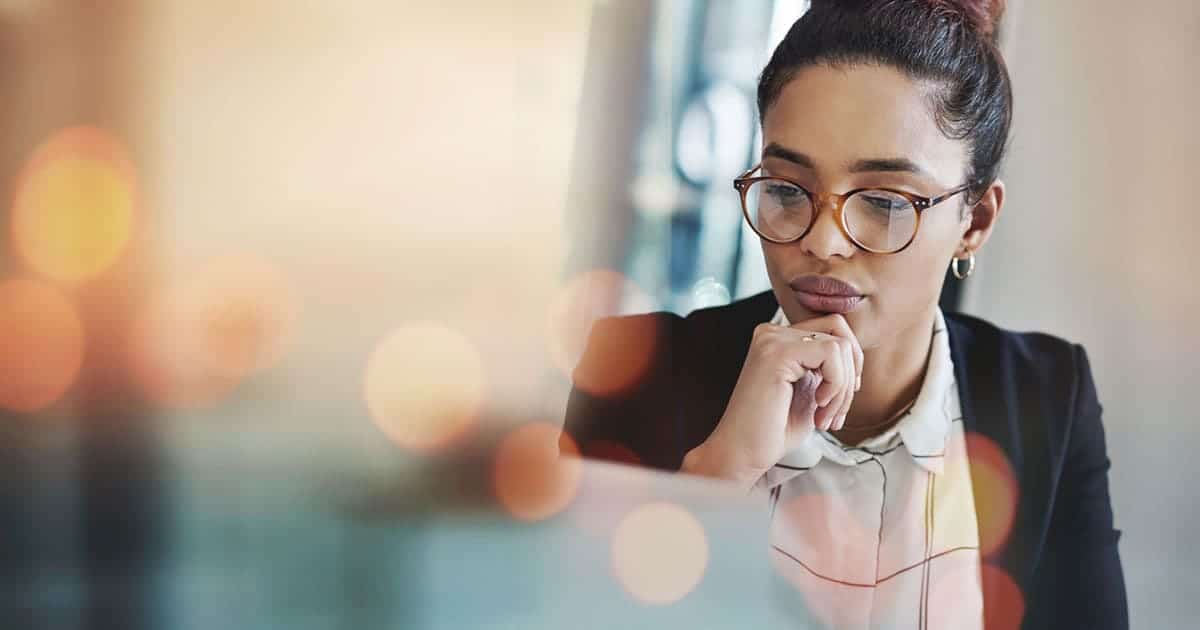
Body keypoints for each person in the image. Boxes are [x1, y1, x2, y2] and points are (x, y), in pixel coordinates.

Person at [561, 1, 1128, 628]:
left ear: (976, 221)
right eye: (786, 190)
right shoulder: (637, 371)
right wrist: (715, 478)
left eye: (883, 203)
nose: (823, 242)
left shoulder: (1047, 393)